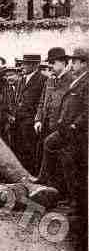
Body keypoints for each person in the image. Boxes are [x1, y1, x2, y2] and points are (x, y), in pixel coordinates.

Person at [36, 47, 88, 213]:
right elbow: (45, 101)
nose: (73, 64)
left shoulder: (76, 79)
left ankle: (69, 198)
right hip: (56, 125)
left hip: (73, 130)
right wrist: (39, 119)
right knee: (64, 160)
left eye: (75, 61)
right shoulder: (55, 79)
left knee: (70, 163)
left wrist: (74, 125)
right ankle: (60, 193)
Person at [33, 47, 73, 196]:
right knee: (46, 156)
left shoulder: (72, 80)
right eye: (49, 63)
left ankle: (61, 193)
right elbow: (42, 101)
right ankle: (48, 188)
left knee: (62, 160)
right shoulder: (50, 79)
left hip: (61, 126)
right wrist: (38, 119)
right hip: (46, 124)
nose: (50, 66)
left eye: (53, 62)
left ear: (63, 63)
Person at [12, 54, 47, 175]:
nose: (23, 66)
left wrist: (36, 119)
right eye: (23, 63)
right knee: (18, 148)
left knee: (30, 150)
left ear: (35, 65)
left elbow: (43, 101)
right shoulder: (21, 79)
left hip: (30, 121)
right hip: (18, 119)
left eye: (26, 64)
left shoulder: (43, 79)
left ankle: (31, 174)